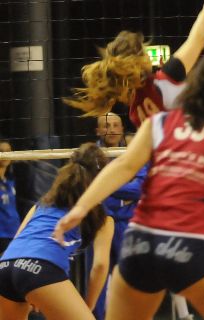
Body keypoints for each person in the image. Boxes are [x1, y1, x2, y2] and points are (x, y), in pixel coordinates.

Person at [54, 52, 204, 320]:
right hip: (190, 244)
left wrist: (81, 207)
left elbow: (123, 167)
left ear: (192, 87)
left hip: (140, 244)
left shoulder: (158, 123)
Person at [65, 0, 204, 319]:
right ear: (141, 59)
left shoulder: (135, 111)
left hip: (178, 183)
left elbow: (129, 163)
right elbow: (197, 40)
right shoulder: (166, 78)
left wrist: (83, 204)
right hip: (203, 175)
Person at [0, 144, 114, 320]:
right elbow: (99, 266)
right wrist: (89, 305)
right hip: (40, 267)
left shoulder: (42, 204)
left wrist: (31, 286)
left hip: (5, 267)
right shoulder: (102, 217)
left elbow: (17, 239)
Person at [88, 112, 147, 320]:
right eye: (106, 125)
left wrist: (105, 185)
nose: (111, 129)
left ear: (122, 129)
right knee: (97, 279)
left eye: (115, 125)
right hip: (99, 223)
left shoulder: (134, 151)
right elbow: (89, 187)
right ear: (98, 131)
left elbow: (140, 188)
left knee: (130, 280)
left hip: (127, 225)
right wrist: (122, 189)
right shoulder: (90, 155)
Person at [0, 140, 20, 255]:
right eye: (1, 151)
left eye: (8, 151)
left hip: (13, 233)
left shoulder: (9, 181)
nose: (5, 154)